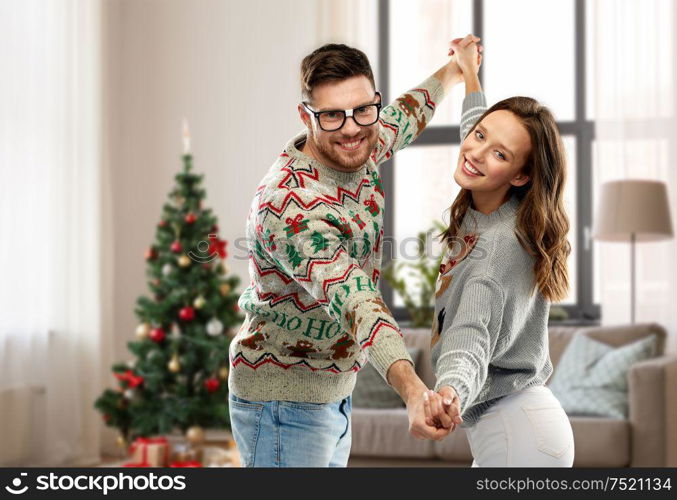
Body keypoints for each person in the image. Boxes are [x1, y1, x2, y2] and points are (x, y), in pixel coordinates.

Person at [228, 37, 478, 467]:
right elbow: (356, 300)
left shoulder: (359, 141)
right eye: (331, 115)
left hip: (335, 392)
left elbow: (406, 114)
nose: (351, 128)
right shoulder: (288, 204)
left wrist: (456, 70)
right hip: (281, 405)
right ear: (306, 116)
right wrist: (415, 391)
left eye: (363, 109)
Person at [424, 37, 576, 467]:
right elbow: (479, 127)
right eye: (479, 136)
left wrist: (449, 392)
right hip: (524, 427)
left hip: (517, 435)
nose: (474, 153)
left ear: (521, 175)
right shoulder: (498, 204)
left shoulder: (493, 251)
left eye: (499, 153)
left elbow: (470, 336)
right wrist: (469, 72)